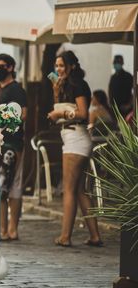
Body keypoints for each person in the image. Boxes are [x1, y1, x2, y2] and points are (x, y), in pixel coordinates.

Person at [47, 51, 103, 247]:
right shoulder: (66, 85)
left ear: (72, 66)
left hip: (75, 139)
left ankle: (65, 236)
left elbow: (81, 113)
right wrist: (56, 94)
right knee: (80, 190)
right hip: (72, 137)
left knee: (69, 190)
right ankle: (95, 235)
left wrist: (60, 112)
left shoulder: (79, 84)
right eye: (57, 65)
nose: (58, 69)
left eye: (62, 65)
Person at [0, 54, 27, 241]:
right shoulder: (4, 90)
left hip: (12, 144)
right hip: (6, 143)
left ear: (11, 67)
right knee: (9, 188)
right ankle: (7, 229)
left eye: (1, 66)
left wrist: (0, 119)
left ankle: (8, 230)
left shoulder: (16, 90)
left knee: (5, 188)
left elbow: (24, 115)